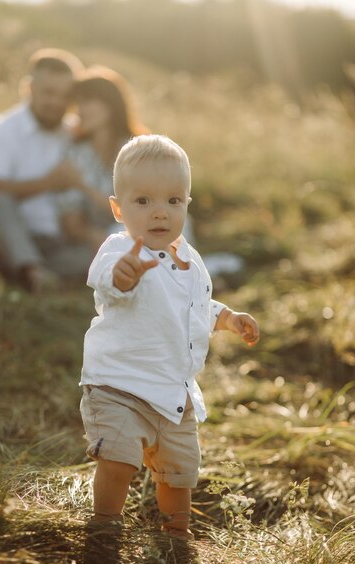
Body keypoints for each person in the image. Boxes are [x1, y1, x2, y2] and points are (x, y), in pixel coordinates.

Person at [79, 134, 259, 539]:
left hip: (175, 397)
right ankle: (105, 527)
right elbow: (108, 281)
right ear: (118, 207)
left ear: (186, 204)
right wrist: (123, 276)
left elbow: (194, 306)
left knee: (179, 474)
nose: (159, 212)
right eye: (143, 201)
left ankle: (176, 535)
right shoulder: (120, 250)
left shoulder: (191, 260)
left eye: (173, 201)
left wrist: (226, 317)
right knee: (119, 460)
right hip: (119, 385)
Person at [0, 48, 94, 291]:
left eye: (65, 95)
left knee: (103, 250)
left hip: (51, 245)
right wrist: (49, 182)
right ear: (29, 89)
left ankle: (33, 271)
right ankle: (34, 274)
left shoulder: (74, 134)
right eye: (49, 93)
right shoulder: (2, 130)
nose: (57, 102)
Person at [56, 66, 149, 252]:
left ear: (110, 105)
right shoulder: (75, 154)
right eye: (78, 104)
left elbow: (144, 211)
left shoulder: (140, 151)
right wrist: (99, 238)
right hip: (102, 243)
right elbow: (71, 223)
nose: (79, 111)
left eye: (87, 102)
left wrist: (84, 187)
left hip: (148, 233)